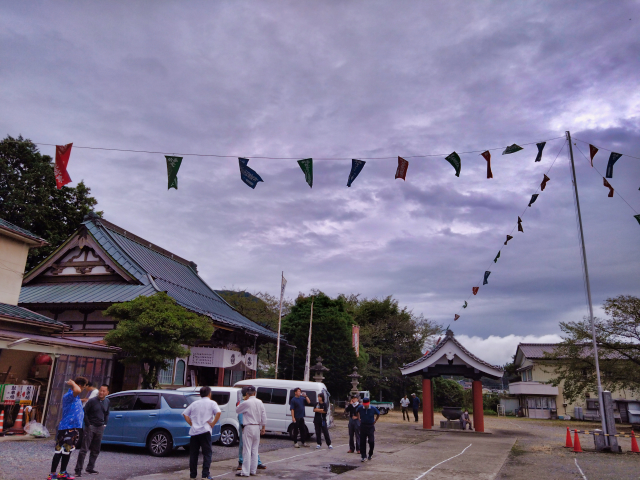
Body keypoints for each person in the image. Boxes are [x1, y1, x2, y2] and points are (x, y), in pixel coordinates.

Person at [48, 377, 88, 480]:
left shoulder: (75, 397)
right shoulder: (70, 395)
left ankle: (62, 472)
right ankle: (52, 473)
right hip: (66, 428)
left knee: (67, 451)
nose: (83, 389)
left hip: (73, 428)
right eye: (83, 387)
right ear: (79, 386)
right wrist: (73, 383)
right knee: (59, 451)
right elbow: (77, 390)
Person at [182, 386, 222, 480]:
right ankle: (205, 475)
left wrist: (191, 423)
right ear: (209, 393)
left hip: (194, 432)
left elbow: (185, 414)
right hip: (205, 430)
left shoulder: (194, 403)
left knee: (193, 454)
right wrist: (213, 423)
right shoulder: (212, 403)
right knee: (207, 453)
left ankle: (193, 475)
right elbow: (218, 413)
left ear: (200, 394)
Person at [74, 384, 110, 476]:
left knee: (96, 449)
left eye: (103, 391)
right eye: (100, 390)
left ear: (107, 392)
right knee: (84, 449)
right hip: (91, 426)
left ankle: (90, 468)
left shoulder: (107, 401)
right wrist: (88, 424)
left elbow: (107, 413)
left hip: (100, 427)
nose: (101, 392)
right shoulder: (92, 401)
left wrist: (105, 423)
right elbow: (84, 412)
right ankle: (78, 469)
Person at [235, 386, 267, 478]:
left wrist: (244, 400)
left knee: (247, 449)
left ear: (246, 394)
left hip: (248, 426)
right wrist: (263, 427)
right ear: (255, 393)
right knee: (255, 449)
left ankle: (245, 471)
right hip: (257, 426)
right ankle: (253, 470)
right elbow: (264, 415)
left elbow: (237, 410)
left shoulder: (246, 402)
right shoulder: (260, 402)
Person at [357, 397, 379, 462]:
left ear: (369, 403)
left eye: (366, 405)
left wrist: (375, 421)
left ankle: (370, 453)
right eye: (364, 405)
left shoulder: (373, 408)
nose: (365, 406)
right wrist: (359, 418)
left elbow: (378, 413)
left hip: (370, 426)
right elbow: (356, 412)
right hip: (363, 425)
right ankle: (363, 456)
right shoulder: (360, 408)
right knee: (362, 441)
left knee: (371, 441)